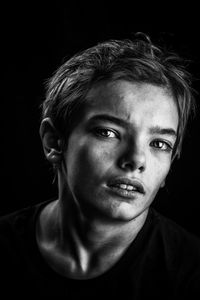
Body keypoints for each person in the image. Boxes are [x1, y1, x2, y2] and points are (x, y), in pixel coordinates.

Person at [0, 33, 200, 299]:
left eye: (159, 144)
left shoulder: (191, 271)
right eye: (109, 132)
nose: (137, 160)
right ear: (54, 143)